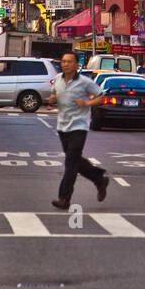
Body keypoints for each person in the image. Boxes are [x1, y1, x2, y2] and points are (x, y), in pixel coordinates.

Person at [48, 50, 109, 211]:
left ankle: (64, 198)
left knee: (70, 163)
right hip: (63, 126)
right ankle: (99, 178)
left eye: (69, 61)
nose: (66, 64)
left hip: (79, 126)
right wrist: (53, 99)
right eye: (63, 61)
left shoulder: (84, 82)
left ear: (76, 65)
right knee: (74, 160)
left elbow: (101, 96)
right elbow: (53, 96)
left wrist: (87, 104)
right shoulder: (57, 80)